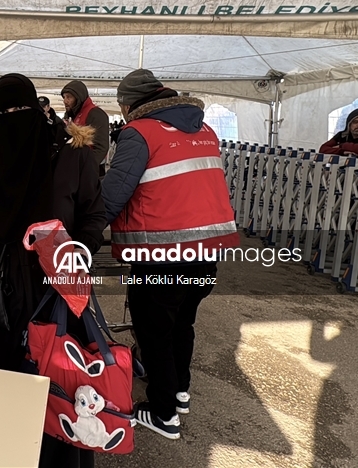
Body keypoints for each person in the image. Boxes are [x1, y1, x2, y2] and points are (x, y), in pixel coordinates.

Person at [0, 73, 105, 468]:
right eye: (4, 111)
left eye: (20, 109)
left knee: (61, 374)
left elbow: (93, 212)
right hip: (2, 283)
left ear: (37, 107)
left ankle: (61, 455)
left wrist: (80, 251)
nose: (14, 117)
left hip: (59, 280)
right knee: (5, 374)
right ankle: (10, 452)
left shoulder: (72, 152)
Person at [103, 68, 239, 441]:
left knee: (154, 329)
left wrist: (81, 229)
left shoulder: (138, 133)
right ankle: (179, 392)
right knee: (182, 323)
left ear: (129, 104)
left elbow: (113, 194)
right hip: (207, 250)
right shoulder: (205, 131)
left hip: (163, 253)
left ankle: (163, 413)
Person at [61, 80, 110, 174]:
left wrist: (87, 168)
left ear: (78, 97)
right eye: (64, 97)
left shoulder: (96, 114)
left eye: (69, 97)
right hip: (75, 167)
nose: (65, 101)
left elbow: (101, 147)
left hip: (90, 171)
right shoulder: (72, 115)